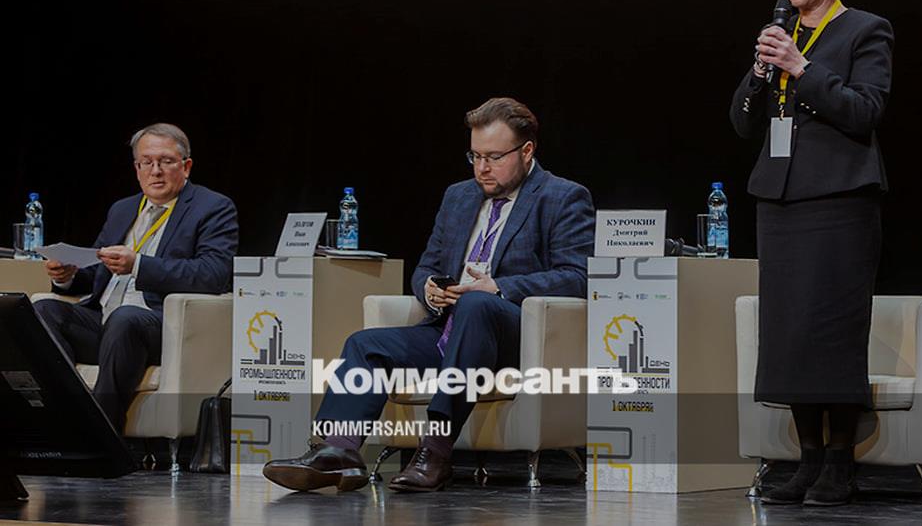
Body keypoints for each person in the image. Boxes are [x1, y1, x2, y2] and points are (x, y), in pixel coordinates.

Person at [263, 97, 595, 493]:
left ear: (526, 151)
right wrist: (430, 289)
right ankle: (338, 452)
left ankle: (435, 453)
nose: (482, 168)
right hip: (449, 330)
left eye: (494, 157)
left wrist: (499, 287)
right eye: (475, 156)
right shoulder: (458, 197)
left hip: (514, 336)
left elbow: (577, 277)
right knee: (366, 345)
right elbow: (426, 266)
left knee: (477, 304)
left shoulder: (561, 197)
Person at [729, 0, 893, 507]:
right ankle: (808, 461)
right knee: (791, 331)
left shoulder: (864, 30)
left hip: (840, 201)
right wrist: (760, 70)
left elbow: (865, 110)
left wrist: (801, 67)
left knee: (830, 333)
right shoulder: (781, 31)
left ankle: (840, 464)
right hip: (781, 200)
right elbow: (742, 123)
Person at [34, 123, 239, 432]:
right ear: (137, 168)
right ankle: (63, 415)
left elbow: (213, 274)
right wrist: (67, 275)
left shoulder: (213, 207)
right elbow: (96, 272)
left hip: (159, 327)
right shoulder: (123, 209)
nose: (156, 171)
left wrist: (139, 265)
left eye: (166, 161)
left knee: (126, 317)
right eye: (147, 162)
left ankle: (101, 435)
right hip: (105, 324)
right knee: (42, 311)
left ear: (186, 166)